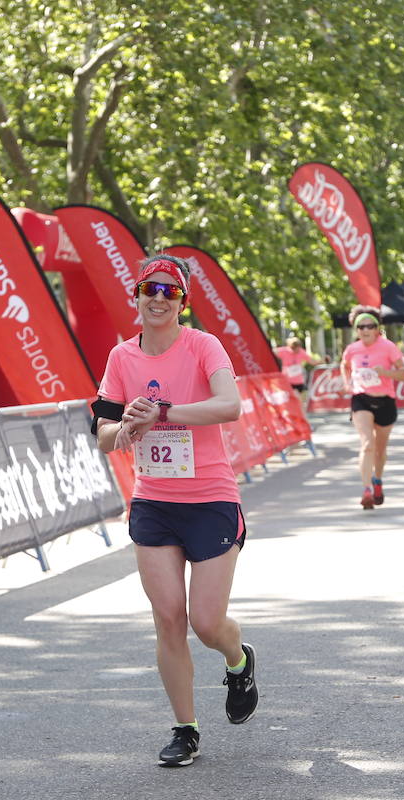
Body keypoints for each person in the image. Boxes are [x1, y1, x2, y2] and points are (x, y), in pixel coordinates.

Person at [91, 252, 257, 768]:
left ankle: (238, 658)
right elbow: (104, 438)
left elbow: (229, 405)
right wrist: (129, 428)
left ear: (182, 302)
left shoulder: (203, 346)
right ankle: (185, 729)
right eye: (150, 290)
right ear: (136, 296)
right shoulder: (122, 358)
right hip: (154, 503)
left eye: (170, 292)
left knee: (206, 623)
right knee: (168, 618)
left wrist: (163, 412)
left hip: (210, 499)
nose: (158, 299)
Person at [341, 307, 404, 508]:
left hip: (385, 401)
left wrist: (386, 373)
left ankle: (377, 479)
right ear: (356, 330)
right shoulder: (352, 349)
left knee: (380, 449)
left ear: (377, 328)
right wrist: (346, 383)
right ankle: (366, 490)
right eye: (360, 327)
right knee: (367, 443)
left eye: (370, 326)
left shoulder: (388, 347)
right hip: (361, 398)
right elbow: (344, 365)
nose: (365, 330)